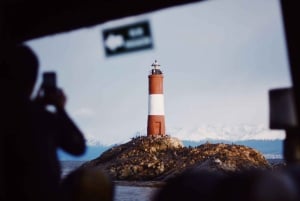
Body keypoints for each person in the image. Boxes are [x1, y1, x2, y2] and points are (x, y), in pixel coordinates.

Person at [2, 44, 86, 201]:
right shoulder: (43, 118)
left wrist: (34, 105)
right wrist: (60, 109)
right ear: (33, 81)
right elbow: (78, 146)